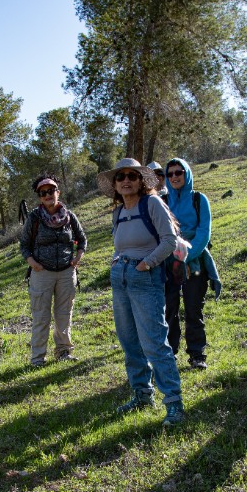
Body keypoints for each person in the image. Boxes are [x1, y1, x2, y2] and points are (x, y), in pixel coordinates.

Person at [99, 158, 185, 427]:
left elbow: (170, 241)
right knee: (129, 342)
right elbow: (119, 244)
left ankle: (173, 403)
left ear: (141, 181)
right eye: (121, 176)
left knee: (154, 342)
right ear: (115, 184)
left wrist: (146, 263)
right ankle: (141, 394)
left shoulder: (153, 204)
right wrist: (118, 263)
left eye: (132, 176)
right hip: (120, 277)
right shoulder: (118, 212)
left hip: (145, 277)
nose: (126, 180)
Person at [19, 173, 87, 366]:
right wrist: (33, 263)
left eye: (51, 191)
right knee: (41, 316)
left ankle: (64, 351)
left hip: (67, 272)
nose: (48, 195)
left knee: (64, 314)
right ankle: (38, 358)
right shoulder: (33, 218)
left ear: (58, 192)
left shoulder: (69, 216)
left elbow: (82, 239)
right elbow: (24, 245)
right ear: (40, 197)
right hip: (41, 273)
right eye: (43, 193)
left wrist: (78, 257)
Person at [163, 158, 221, 370]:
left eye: (179, 173)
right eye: (170, 174)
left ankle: (197, 354)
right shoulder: (162, 200)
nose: (175, 177)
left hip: (194, 262)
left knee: (193, 309)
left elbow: (204, 233)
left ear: (186, 174)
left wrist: (185, 257)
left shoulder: (199, 199)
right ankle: (170, 352)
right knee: (169, 309)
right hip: (168, 262)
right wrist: (172, 256)